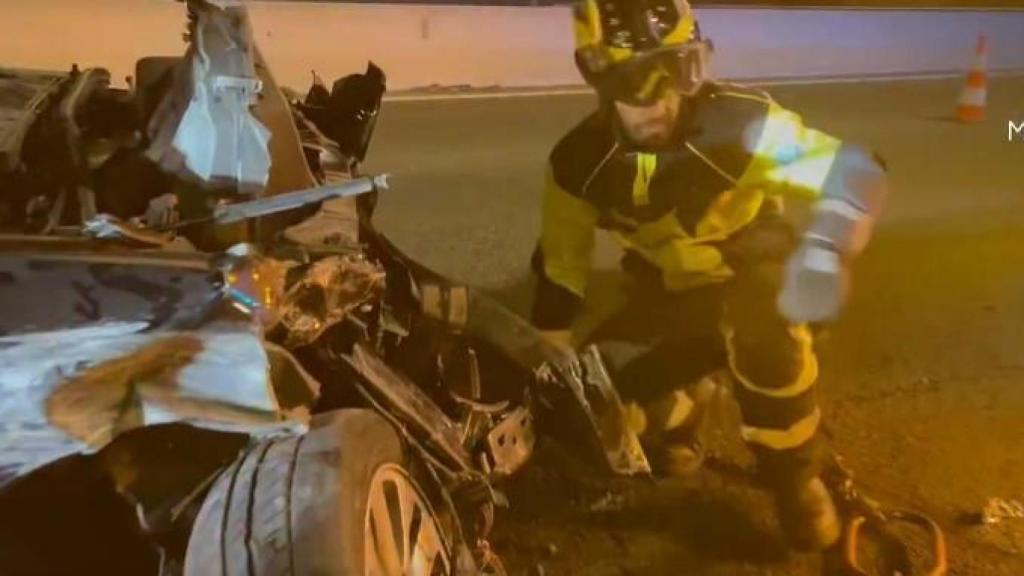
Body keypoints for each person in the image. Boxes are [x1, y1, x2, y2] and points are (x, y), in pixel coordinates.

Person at [530, 0, 887, 551]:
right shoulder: (577, 165)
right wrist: (550, 375)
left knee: (765, 326)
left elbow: (854, 175)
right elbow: (561, 271)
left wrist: (825, 254)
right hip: (671, 304)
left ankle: (795, 476)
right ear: (597, 76)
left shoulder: (747, 127)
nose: (659, 102)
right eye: (633, 81)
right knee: (597, 407)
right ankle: (683, 409)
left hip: (758, 292)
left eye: (675, 72)